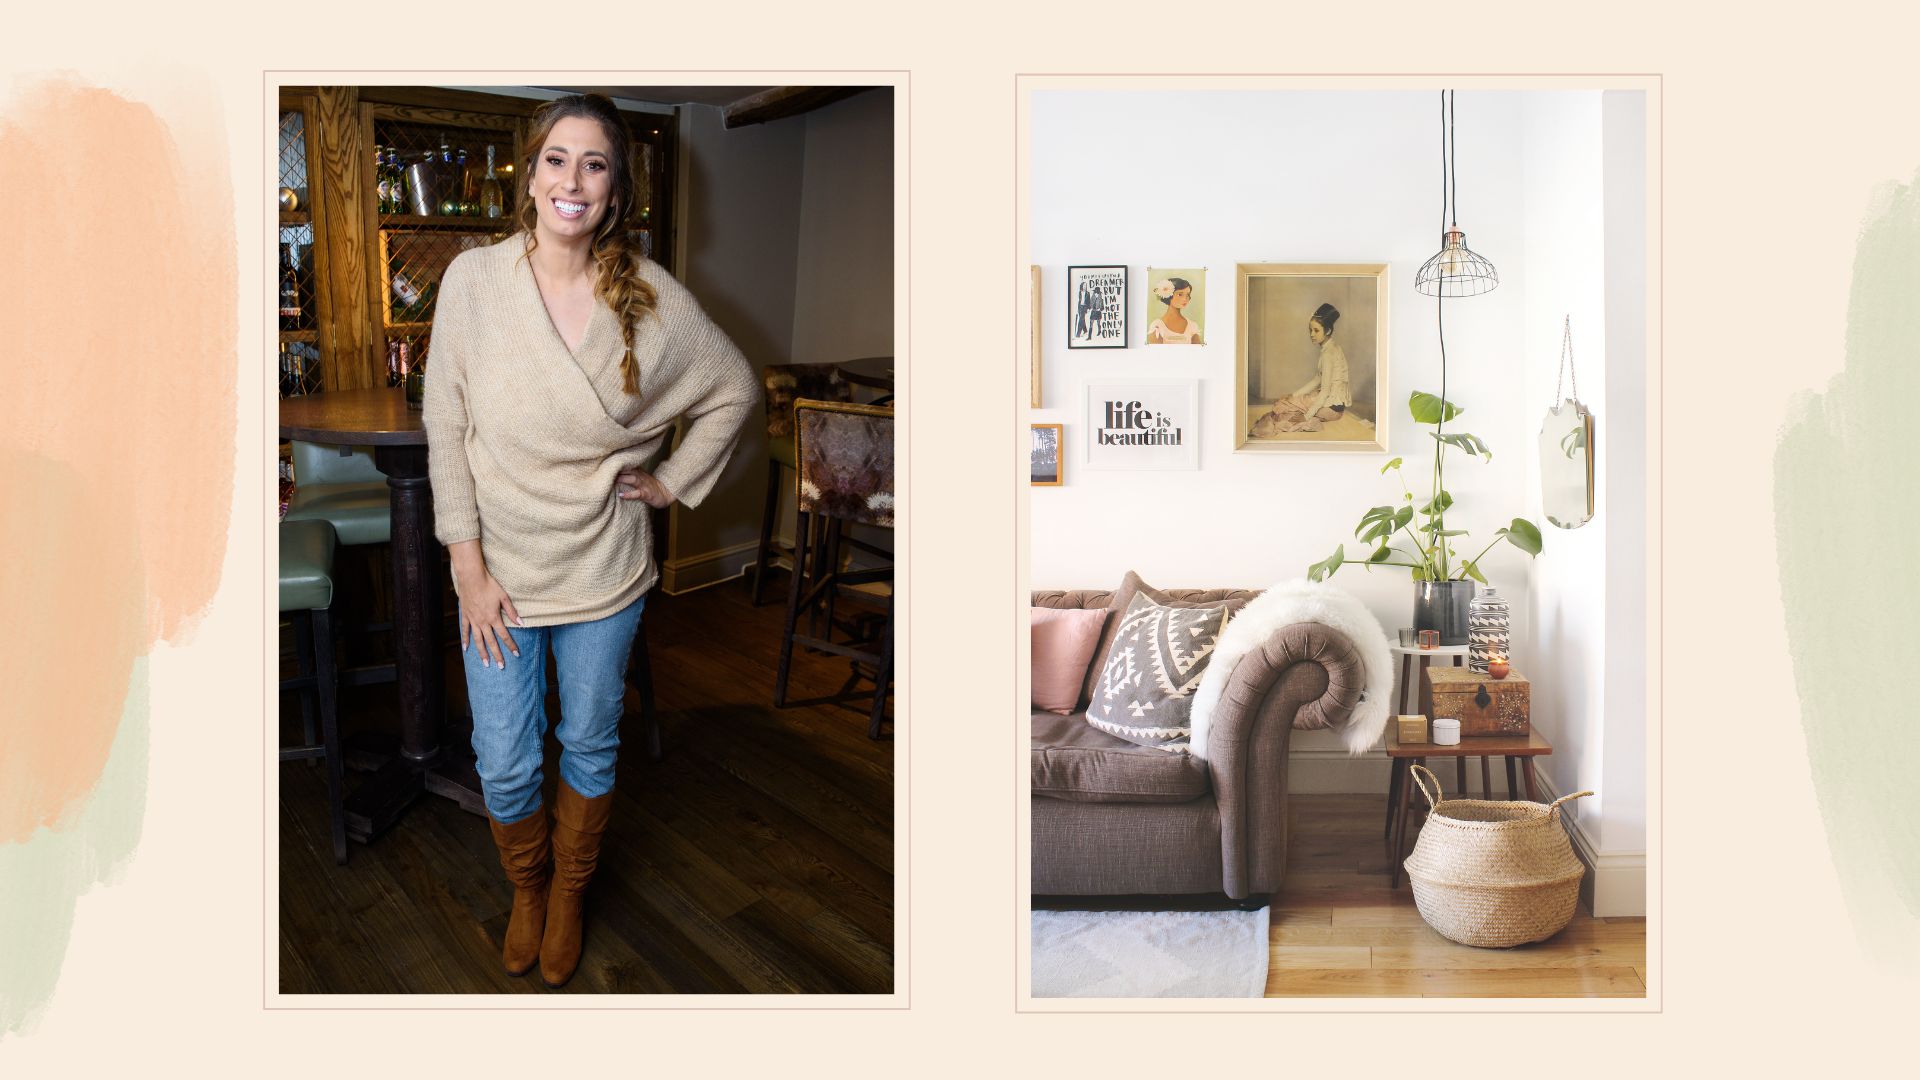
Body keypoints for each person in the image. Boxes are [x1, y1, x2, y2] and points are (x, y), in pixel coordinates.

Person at [422, 93, 758, 988]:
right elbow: (445, 425)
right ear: (529, 174)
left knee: (591, 740)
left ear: (615, 191)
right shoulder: (473, 283)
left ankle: (568, 892)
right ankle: (525, 885)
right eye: (557, 160)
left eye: (595, 164)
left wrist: (671, 483)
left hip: (605, 566)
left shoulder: (650, 299)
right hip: (498, 571)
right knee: (504, 760)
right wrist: (466, 566)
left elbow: (732, 387)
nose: (573, 180)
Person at [1252, 301, 1351, 435]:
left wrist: (1307, 416)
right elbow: (1317, 379)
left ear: (1327, 330)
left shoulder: (1329, 354)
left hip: (1332, 410)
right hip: (1333, 406)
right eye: (1310, 330)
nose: (1311, 334)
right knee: (1290, 401)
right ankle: (1298, 406)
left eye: (1316, 330)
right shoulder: (1332, 348)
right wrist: (1294, 395)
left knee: (1286, 409)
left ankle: (1307, 418)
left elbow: (1325, 391)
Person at [1146, 276, 1202, 344]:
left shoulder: (1192, 326)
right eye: (1180, 294)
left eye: (1187, 294)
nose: (1185, 298)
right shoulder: (1157, 327)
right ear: (1169, 295)